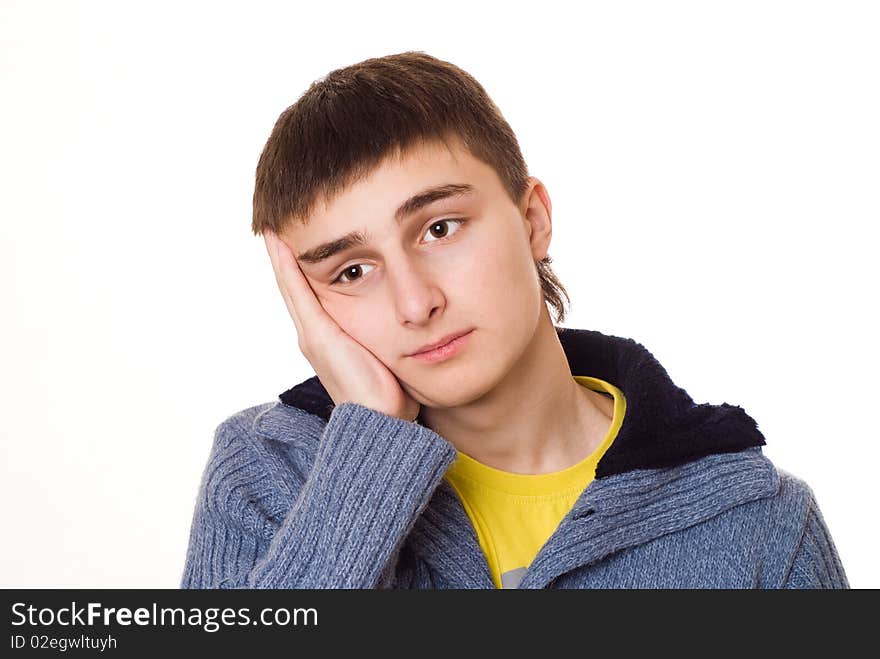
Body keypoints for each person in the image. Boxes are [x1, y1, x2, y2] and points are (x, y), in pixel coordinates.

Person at [179, 51, 849, 589]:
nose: (416, 304)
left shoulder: (759, 521)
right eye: (352, 271)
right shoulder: (270, 475)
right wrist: (370, 449)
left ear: (532, 219)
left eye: (440, 228)